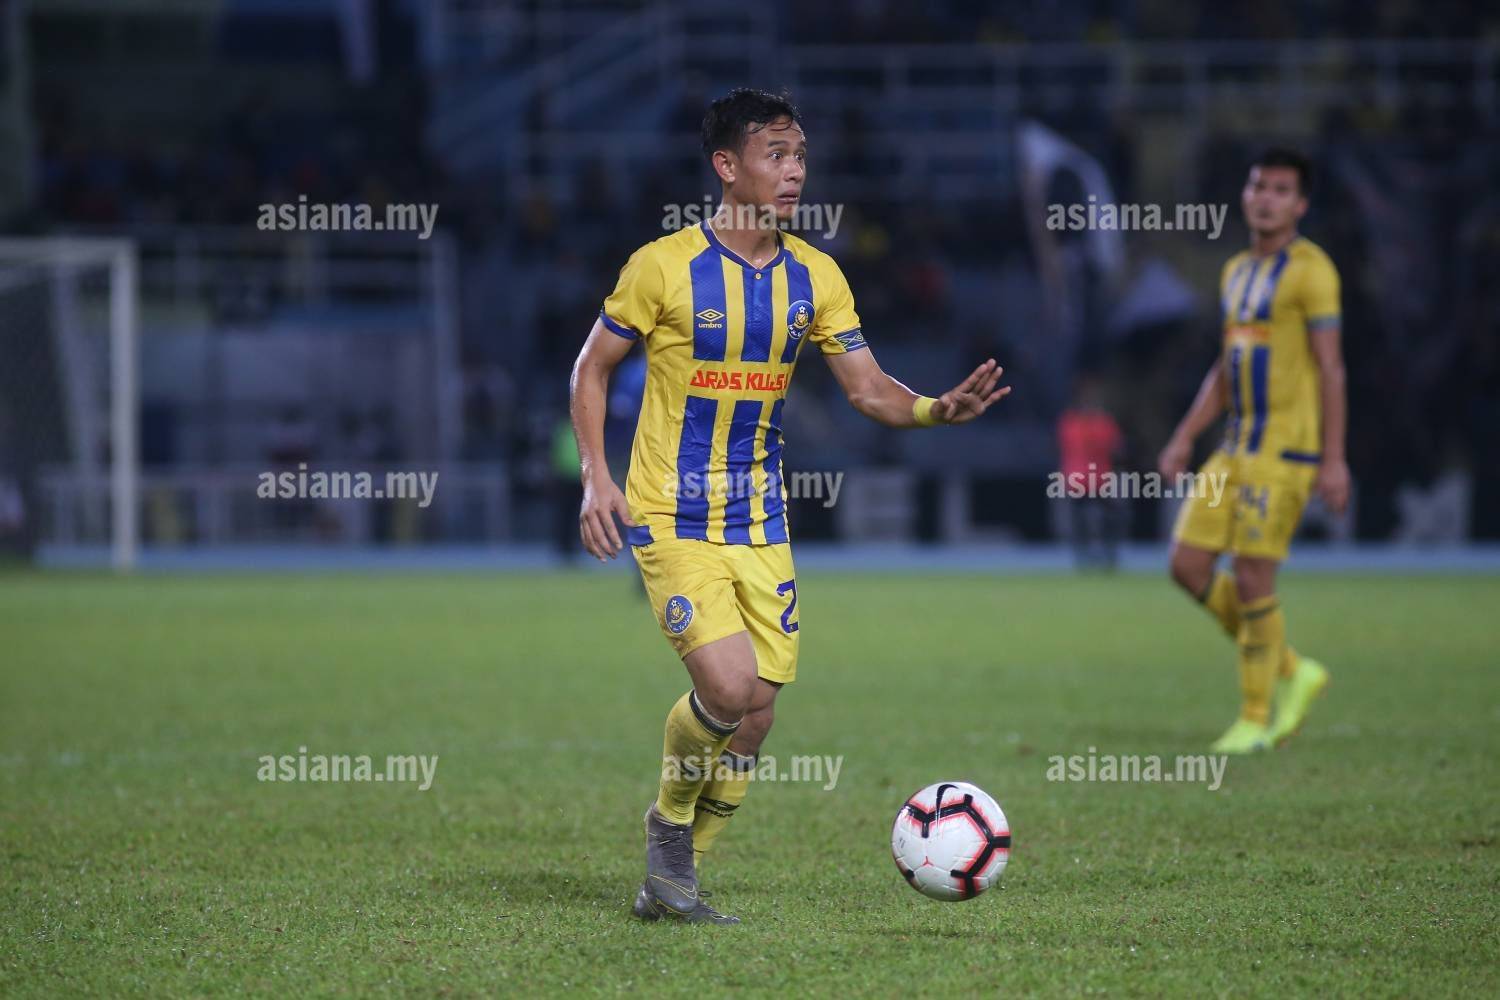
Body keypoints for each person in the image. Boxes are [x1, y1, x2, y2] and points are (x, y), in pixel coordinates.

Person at [568, 88, 1011, 924]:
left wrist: (933, 409)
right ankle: (668, 830)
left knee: (757, 713)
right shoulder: (661, 265)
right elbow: (591, 367)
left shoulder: (816, 275)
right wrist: (598, 476)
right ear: (726, 166)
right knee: (728, 687)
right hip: (672, 514)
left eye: (800, 154)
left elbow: (868, 389)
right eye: (775, 154)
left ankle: (675, 881)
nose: (795, 170)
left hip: (761, 521)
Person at [1158, 148, 1349, 754]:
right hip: (1235, 447)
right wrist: (1185, 434)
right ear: (1245, 194)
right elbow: (1227, 365)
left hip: (1285, 451)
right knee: (1187, 566)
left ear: (1301, 204)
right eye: (1258, 186)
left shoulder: (1312, 271)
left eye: (1281, 190)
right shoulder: (1237, 271)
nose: (1266, 198)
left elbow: (1331, 368)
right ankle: (1292, 667)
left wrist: (1334, 458)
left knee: (1251, 577)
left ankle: (1255, 717)